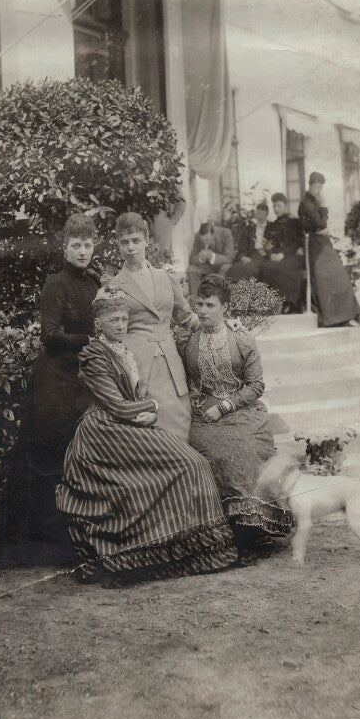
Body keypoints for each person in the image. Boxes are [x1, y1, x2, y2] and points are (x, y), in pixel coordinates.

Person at [55, 286, 238, 585]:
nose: (121, 325)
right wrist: (152, 406)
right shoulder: (93, 355)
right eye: (113, 320)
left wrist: (147, 415)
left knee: (192, 464)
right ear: (98, 324)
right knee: (189, 465)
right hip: (103, 434)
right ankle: (146, 556)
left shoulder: (122, 350)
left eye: (125, 319)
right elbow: (115, 404)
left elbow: (129, 402)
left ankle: (194, 551)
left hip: (127, 425)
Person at [177, 275, 294, 553]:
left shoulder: (241, 338)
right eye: (199, 304)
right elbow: (187, 381)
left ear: (225, 308)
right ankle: (220, 529)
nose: (203, 311)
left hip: (244, 412)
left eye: (210, 305)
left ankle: (254, 526)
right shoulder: (189, 341)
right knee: (202, 452)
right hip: (206, 416)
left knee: (245, 449)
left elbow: (257, 386)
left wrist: (225, 406)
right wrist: (198, 401)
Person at [22, 214, 100, 546]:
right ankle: (51, 539)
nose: (82, 251)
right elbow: (50, 335)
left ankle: (82, 533)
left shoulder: (95, 284)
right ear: (64, 247)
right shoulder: (55, 283)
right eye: (76, 245)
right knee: (55, 454)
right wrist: (90, 342)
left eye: (87, 244)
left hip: (83, 376)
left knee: (83, 453)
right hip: (55, 378)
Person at [110, 212, 199, 440]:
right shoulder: (113, 286)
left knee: (179, 422)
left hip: (170, 364)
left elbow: (187, 318)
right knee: (148, 430)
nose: (131, 248)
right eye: (125, 242)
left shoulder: (164, 278)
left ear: (147, 240)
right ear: (118, 245)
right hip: (138, 365)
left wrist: (221, 324)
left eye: (136, 241)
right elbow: (109, 331)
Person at [298, 172, 360, 327]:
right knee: (326, 279)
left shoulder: (314, 201)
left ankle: (345, 316)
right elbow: (320, 224)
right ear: (310, 185)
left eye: (321, 187)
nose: (319, 190)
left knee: (341, 276)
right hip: (314, 246)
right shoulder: (305, 203)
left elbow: (322, 226)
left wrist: (323, 225)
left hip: (322, 243)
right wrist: (324, 207)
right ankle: (331, 319)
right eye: (317, 186)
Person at [187, 221, 235, 294]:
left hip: (222, 266)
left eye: (207, 240)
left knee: (226, 268)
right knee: (191, 269)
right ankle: (195, 300)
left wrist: (211, 256)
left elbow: (229, 258)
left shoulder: (226, 233)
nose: (205, 243)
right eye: (203, 241)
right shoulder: (197, 236)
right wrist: (200, 257)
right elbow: (192, 259)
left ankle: (217, 300)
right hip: (207, 267)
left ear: (213, 234)